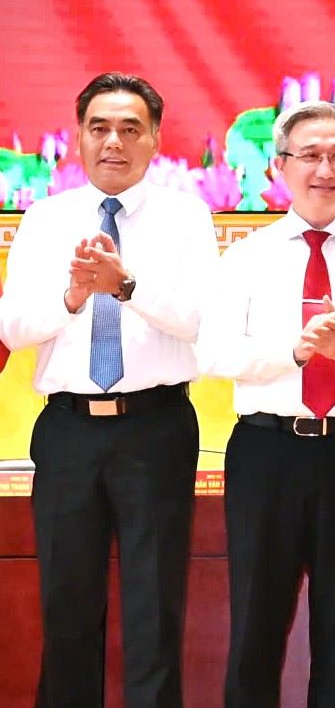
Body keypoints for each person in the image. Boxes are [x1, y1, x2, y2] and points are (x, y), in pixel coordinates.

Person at [0, 73, 218, 707]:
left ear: (154, 139)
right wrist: (72, 295)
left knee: (154, 606)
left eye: (130, 129)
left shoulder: (187, 217)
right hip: (67, 430)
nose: (113, 142)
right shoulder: (44, 219)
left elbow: (204, 321)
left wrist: (126, 287)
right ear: (77, 138)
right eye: (99, 128)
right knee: (67, 604)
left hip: (156, 426)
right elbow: (12, 326)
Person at [198, 100, 335, 706]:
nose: (325, 169)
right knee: (256, 625)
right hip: (266, 451)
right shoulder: (245, 255)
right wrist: (293, 353)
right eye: (311, 155)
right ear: (281, 166)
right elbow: (213, 354)